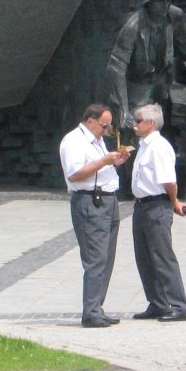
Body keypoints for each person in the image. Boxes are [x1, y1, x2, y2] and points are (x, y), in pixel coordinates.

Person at [59, 103, 130, 328]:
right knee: (96, 258)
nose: (107, 129)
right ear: (90, 120)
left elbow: (99, 170)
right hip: (90, 201)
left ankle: (97, 307)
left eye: (108, 125)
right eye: (104, 125)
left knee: (107, 257)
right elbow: (75, 174)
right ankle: (90, 312)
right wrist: (104, 161)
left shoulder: (97, 141)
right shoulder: (74, 141)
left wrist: (115, 162)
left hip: (108, 200)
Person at [106, 0, 186, 130]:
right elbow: (116, 67)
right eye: (160, 1)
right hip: (138, 82)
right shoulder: (133, 26)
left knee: (158, 123)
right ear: (149, 2)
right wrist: (122, 110)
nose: (165, 5)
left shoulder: (175, 16)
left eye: (168, 0)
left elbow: (184, 44)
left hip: (161, 79)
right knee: (134, 123)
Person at [130, 103, 186, 322]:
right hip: (141, 205)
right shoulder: (144, 145)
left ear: (150, 123)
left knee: (162, 256)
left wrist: (174, 201)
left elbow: (169, 181)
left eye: (138, 120)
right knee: (144, 256)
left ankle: (177, 305)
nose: (134, 124)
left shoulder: (159, 146)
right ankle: (157, 302)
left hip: (156, 205)